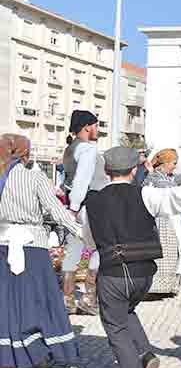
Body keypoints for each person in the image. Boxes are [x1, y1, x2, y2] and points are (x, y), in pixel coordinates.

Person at [83, 146, 181, 368]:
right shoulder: (146, 194)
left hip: (115, 273)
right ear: (133, 170)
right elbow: (178, 197)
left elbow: (89, 238)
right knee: (126, 311)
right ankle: (144, 354)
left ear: (107, 171)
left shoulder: (93, 201)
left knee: (115, 326)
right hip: (145, 273)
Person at [0, 133, 82, 368]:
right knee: (38, 302)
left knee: (5, 303)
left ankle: (5, 361)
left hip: (2, 242)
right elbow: (55, 210)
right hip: (32, 245)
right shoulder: (34, 176)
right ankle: (36, 353)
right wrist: (81, 232)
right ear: (24, 153)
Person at [61, 110, 109, 315]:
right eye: (95, 125)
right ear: (88, 126)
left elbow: (68, 181)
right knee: (98, 249)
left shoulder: (70, 148)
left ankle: (68, 301)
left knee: (72, 252)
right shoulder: (89, 149)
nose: (97, 129)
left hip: (77, 205)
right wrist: (74, 207)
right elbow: (82, 179)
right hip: (90, 204)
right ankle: (89, 300)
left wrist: (71, 207)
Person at [143, 149, 181, 295]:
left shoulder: (168, 177)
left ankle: (169, 286)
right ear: (165, 163)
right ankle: (156, 287)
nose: (175, 167)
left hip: (172, 221)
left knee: (174, 254)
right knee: (163, 254)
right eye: (173, 163)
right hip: (160, 222)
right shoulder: (154, 178)